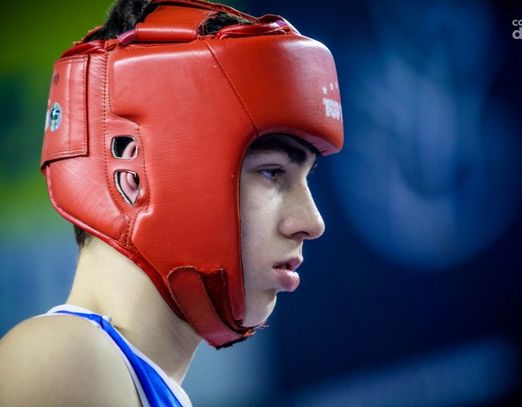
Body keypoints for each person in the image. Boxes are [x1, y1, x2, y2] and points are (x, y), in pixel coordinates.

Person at [0, 0, 343, 405]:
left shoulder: (122, 375)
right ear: (134, 173)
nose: (311, 222)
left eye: (306, 177)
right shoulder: (64, 357)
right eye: (272, 173)